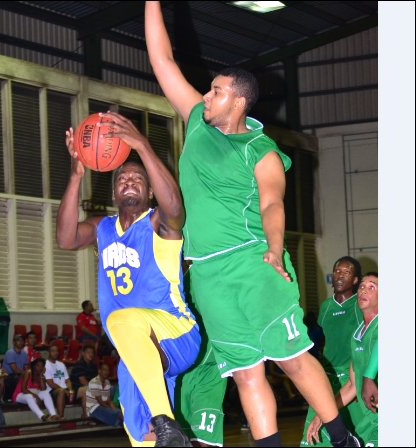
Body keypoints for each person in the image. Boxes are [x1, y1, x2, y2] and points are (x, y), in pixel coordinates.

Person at [144, 3, 360, 446]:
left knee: (291, 359)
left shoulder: (260, 150)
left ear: (238, 101)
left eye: (216, 92)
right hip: (206, 272)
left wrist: (275, 248)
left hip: (253, 262)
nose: (206, 97)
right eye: (208, 91)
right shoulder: (197, 123)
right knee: (245, 373)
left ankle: (342, 439)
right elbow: (162, 60)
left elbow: (272, 204)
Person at [56, 111, 200, 447]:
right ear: (114, 193)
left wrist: (142, 145)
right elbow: (65, 239)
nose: (129, 181)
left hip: (175, 332)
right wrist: (76, 175)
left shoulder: (158, 223)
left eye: (138, 178)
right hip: (138, 350)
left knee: (121, 320)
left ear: (150, 191)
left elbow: (175, 209)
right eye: (122, 178)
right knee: (143, 438)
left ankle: (166, 422)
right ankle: (164, 432)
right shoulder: (102, 228)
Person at [307, 273, 378, 447]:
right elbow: (352, 386)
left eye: (372, 287)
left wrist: (369, 377)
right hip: (370, 421)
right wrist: (322, 414)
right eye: (362, 286)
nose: (364, 290)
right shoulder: (357, 336)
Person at [300, 257, 364, 446]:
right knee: (314, 435)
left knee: (359, 433)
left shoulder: (359, 304)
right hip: (327, 377)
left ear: (355, 279)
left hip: (351, 377)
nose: (340, 275)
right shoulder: (326, 307)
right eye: (337, 271)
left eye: (347, 272)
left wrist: (361, 379)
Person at [174, 267, 227, 447]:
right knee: (179, 439)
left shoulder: (222, 271)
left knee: (205, 440)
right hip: (181, 372)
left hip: (211, 371)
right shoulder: (174, 281)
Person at [12, 358, 61, 422]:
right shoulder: (28, 373)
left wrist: (41, 376)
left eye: (42, 366)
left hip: (33, 395)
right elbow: (24, 389)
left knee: (46, 393)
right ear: (34, 366)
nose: (40, 368)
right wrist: (36, 397)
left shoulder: (42, 376)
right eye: (38, 365)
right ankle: (42, 416)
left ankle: (53, 414)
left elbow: (43, 389)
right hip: (20, 395)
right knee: (29, 396)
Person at [86, 362, 123, 428]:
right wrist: (112, 410)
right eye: (104, 370)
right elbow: (100, 401)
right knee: (119, 414)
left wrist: (114, 409)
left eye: (108, 370)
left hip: (102, 408)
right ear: (99, 371)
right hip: (93, 409)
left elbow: (109, 400)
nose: (106, 372)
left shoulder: (107, 382)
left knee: (120, 414)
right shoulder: (94, 382)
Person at [45, 344, 74, 419]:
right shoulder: (46, 365)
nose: (55, 353)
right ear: (48, 353)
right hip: (52, 391)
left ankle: (87, 417)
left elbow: (67, 380)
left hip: (64, 389)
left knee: (83, 391)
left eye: (57, 351)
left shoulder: (61, 364)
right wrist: (64, 390)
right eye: (53, 351)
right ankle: (61, 417)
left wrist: (70, 390)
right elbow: (51, 384)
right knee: (61, 391)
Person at [69, 345, 98, 418]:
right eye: (88, 352)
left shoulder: (93, 365)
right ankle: (86, 417)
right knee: (86, 391)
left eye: (92, 352)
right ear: (83, 353)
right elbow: (83, 381)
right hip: (76, 389)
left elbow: (96, 380)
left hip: (88, 387)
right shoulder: (79, 364)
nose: (91, 354)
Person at [2, 334, 29, 402]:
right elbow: (15, 370)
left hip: (19, 374)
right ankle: (8, 398)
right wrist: (26, 373)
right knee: (15, 378)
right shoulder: (10, 352)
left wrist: (28, 373)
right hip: (8, 375)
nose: (21, 342)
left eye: (22, 341)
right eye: (18, 341)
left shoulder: (24, 353)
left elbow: (26, 367)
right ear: (14, 342)